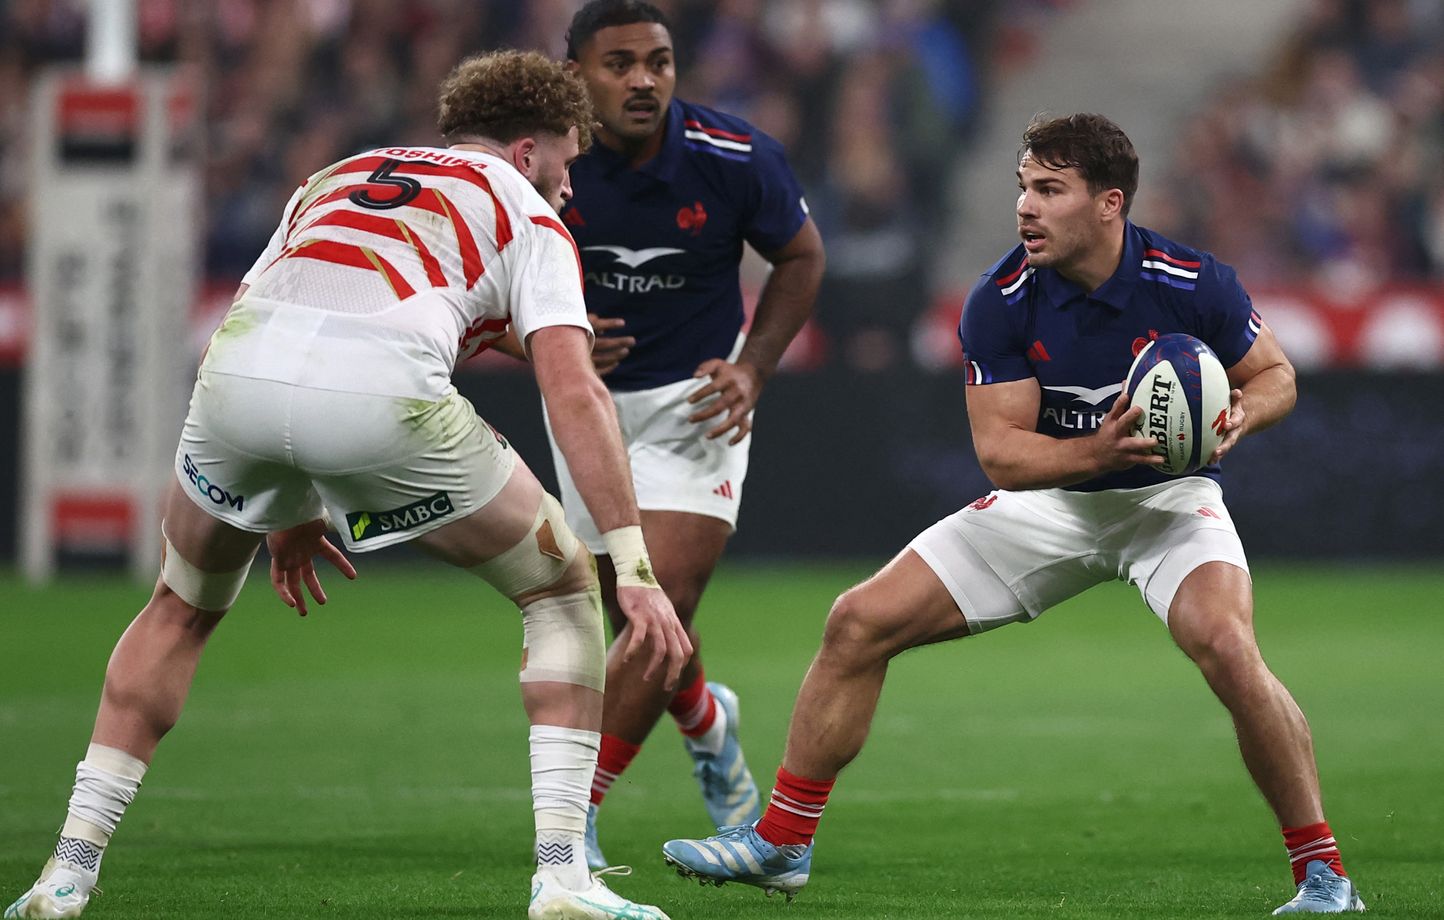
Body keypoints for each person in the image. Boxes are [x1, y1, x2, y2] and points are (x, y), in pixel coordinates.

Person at [5, 50, 692, 920]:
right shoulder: (526, 209)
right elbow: (573, 390)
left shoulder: (339, 173)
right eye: (565, 162)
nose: (568, 188)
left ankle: (65, 875)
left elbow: (285, 305)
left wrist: (286, 503)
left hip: (236, 382)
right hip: (380, 398)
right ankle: (564, 879)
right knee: (562, 592)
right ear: (525, 152)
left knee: (177, 610)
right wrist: (632, 569)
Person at [661, 113, 1365, 916]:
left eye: (1049, 190)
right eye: (1023, 187)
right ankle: (783, 841)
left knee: (1229, 646)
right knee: (857, 622)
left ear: (1109, 203)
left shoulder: (1190, 279)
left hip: (1167, 500)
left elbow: (1277, 375)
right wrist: (1102, 450)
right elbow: (1003, 456)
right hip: (1055, 500)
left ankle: (1324, 878)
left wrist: (1239, 412)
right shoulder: (1001, 300)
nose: (1026, 208)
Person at [503, 0, 825, 870]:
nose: (643, 80)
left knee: (664, 600)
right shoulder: (536, 168)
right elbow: (485, 283)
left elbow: (801, 258)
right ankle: (708, 723)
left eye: (659, 61)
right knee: (631, 611)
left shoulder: (734, 156)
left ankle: (577, 812)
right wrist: (540, 338)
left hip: (697, 406)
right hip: (587, 408)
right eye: (619, 64)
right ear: (576, 77)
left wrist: (754, 367)